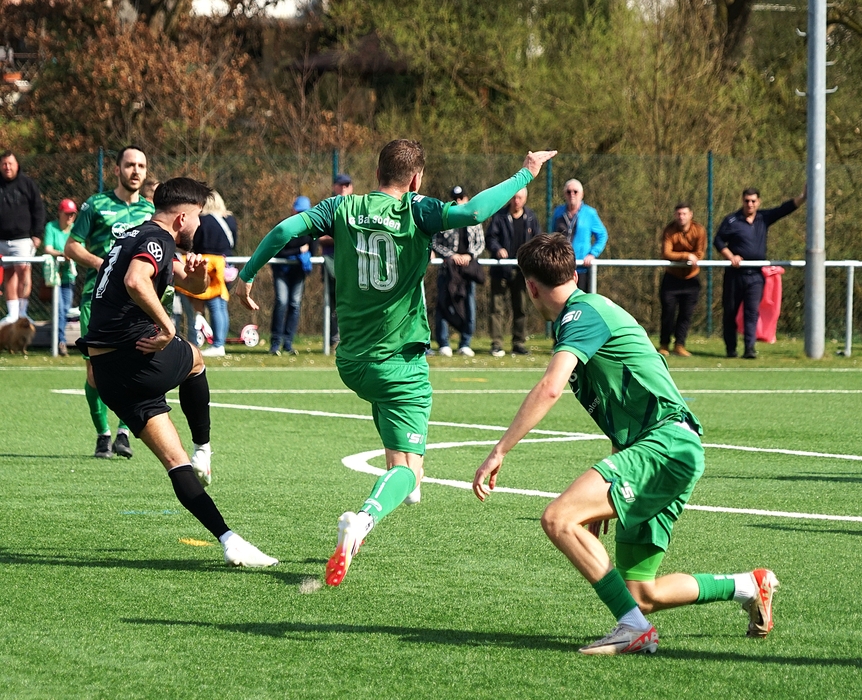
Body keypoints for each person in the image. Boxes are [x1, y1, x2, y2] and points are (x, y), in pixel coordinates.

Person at [235, 139, 558, 586]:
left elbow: (285, 231)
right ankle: (364, 518)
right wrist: (526, 173)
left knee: (402, 457)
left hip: (352, 362)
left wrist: (247, 274)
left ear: (377, 173)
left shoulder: (343, 207)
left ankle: (398, 488)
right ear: (415, 178)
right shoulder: (417, 209)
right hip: (400, 364)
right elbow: (474, 213)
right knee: (408, 471)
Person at [473, 234, 779, 655]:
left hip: (665, 446)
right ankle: (748, 585)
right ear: (574, 273)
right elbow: (626, 402)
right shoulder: (588, 311)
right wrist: (613, 481)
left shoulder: (581, 315)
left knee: (558, 519)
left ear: (530, 287)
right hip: (666, 448)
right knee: (640, 592)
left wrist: (499, 451)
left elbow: (550, 388)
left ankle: (634, 630)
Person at [77, 177, 277, 567]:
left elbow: (191, 285)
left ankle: (230, 540)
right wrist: (167, 327)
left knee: (174, 461)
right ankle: (205, 449)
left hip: (109, 375)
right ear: (182, 218)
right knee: (196, 359)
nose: (200, 226)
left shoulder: (134, 236)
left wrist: (199, 274)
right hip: (135, 357)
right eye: (199, 217)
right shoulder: (158, 238)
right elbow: (136, 280)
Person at [64, 145, 155, 459]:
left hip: (134, 302)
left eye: (141, 165)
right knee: (95, 373)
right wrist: (101, 263)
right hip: (96, 298)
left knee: (133, 367)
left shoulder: (150, 212)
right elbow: (71, 246)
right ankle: (102, 433)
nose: (135, 170)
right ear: (117, 169)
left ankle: (123, 432)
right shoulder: (96, 205)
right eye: (130, 165)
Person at [714, 186, 806, 359]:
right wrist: (731, 256)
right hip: (735, 275)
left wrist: (803, 197)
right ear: (742, 201)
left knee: (751, 312)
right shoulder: (732, 220)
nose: (750, 204)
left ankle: (749, 348)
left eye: (753, 201)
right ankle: (731, 349)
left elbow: (783, 209)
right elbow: (718, 240)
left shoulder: (763, 218)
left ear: (758, 202)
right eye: (747, 201)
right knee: (730, 312)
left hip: (756, 275)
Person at [177, 190, 236, 357]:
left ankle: (216, 344)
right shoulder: (229, 220)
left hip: (209, 265)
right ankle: (220, 342)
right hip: (227, 265)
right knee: (221, 305)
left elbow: (196, 243)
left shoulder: (203, 220)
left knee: (213, 306)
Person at [485, 188, 540, 357]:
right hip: (500, 271)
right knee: (496, 308)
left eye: (520, 197)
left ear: (525, 198)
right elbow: (490, 238)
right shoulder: (499, 217)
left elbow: (538, 240)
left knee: (520, 307)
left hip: (522, 272)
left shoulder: (531, 218)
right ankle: (497, 344)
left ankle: (519, 343)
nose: (517, 201)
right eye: (514, 197)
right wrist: (497, 249)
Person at [431, 185, 485, 357]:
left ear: (467, 199)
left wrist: (469, 255)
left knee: (469, 306)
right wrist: (452, 255)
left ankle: (465, 343)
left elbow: (480, 243)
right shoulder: (444, 219)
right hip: (448, 270)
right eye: (455, 199)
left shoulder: (475, 218)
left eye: (461, 198)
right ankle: (443, 343)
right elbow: (435, 242)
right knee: (443, 305)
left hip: (468, 270)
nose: (458, 201)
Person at [0, 151, 45, 325]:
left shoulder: (27, 184)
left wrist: (37, 234)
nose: (7, 167)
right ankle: (12, 314)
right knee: (9, 274)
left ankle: (22, 313)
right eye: (4, 164)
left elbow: (38, 209)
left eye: (10, 163)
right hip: (2, 241)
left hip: (23, 239)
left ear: (17, 165)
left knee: (24, 272)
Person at [659, 203, 707, 358]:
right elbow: (667, 253)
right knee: (668, 312)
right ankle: (664, 344)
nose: (681, 217)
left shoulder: (699, 230)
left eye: (684, 214)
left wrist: (691, 257)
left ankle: (679, 345)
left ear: (690, 215)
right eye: (678, 214)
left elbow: (699, 253)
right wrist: (686, 256)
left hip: (691, 279)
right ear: (675, 215)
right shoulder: (669, 230)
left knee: (686, 314)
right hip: (671, 278)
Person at [268, 195, 312, 355]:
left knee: (294, 304)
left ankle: (288, 343)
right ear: (293, 210)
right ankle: (275, 343)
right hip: (281, 271)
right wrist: (298, 251)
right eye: (299, 211)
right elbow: (277, 251)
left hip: (298, 272)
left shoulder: (311, 229)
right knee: (282, 301)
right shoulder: (283, 227)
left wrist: (301, 255)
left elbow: (312, 250)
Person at [550, 178, 607, 293]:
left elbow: (602, 235)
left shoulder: (589, 213)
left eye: (575, 192)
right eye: (568, 192)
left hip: (582, 268)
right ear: (564, 194)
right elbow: (552, 236)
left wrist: (592, 254)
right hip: (562, 266)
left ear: (582, 194)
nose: (572, 194)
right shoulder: (558, 212)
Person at [317, 174, 354, 350]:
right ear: (334, 187)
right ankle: (333, 340)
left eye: (347, 185)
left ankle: (351, 339)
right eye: (341, 185)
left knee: (352, 303)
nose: (344, 188)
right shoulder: (328, 207)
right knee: (331, 304)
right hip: (331, 262)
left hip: (352, 263)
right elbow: (320, 237)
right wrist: (342, 235)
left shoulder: (358, 207)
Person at [43, 198, 79, 356]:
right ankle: (61, 341)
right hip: (55, 276)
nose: (70, 217)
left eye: (72, 214)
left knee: (65, 309)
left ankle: (59, 339)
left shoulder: (76, 229)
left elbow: (80, 248)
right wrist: (62, 254)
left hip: (69, 276)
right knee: (59, 310)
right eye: (67, 214)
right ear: (60, 213)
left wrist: (72, 254)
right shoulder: (51, 227)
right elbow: (48, 248)